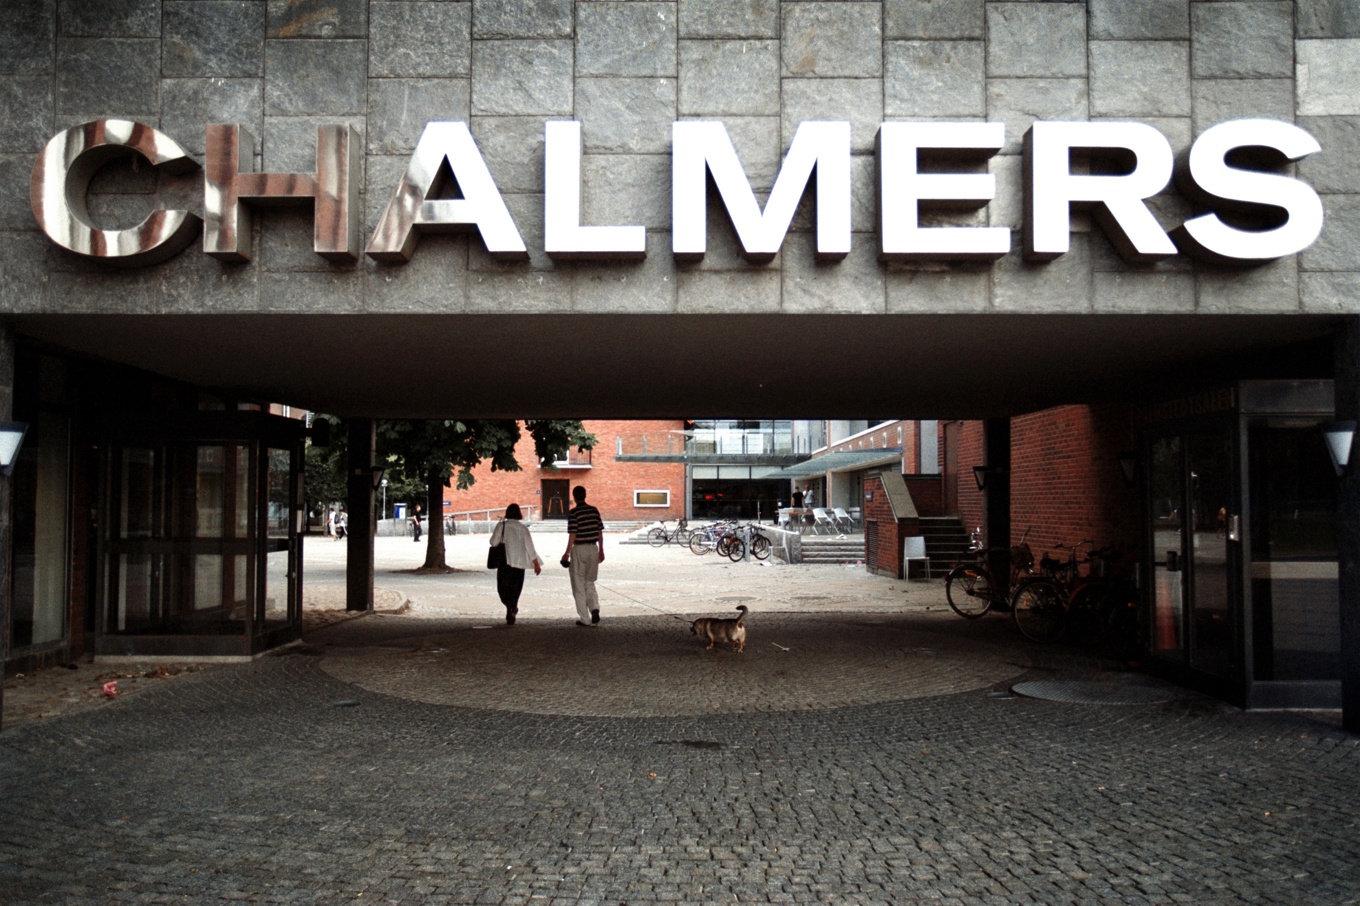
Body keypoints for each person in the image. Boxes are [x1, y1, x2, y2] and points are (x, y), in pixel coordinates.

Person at [490, 503, 542, 625]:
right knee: (515, 590)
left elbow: (493, 542)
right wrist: (536, 563)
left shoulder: (501, 526)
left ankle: (510, 607)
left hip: (504, 563)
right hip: (519, 564)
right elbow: (530, 547)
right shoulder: (523, 528)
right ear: (519, 513)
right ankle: (512, 607)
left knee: (502, 589)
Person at [561, 485, 605, 626]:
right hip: (593, 548)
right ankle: (595, 608)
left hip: (579, 550)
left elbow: (573, 534)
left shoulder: (573, 513)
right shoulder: (594, 511)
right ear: (585, 495)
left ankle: (585, 619)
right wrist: (601, 550)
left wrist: (566, 553)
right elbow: (600, 532)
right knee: (590, 581)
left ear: (574, 497)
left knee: (578, 585)